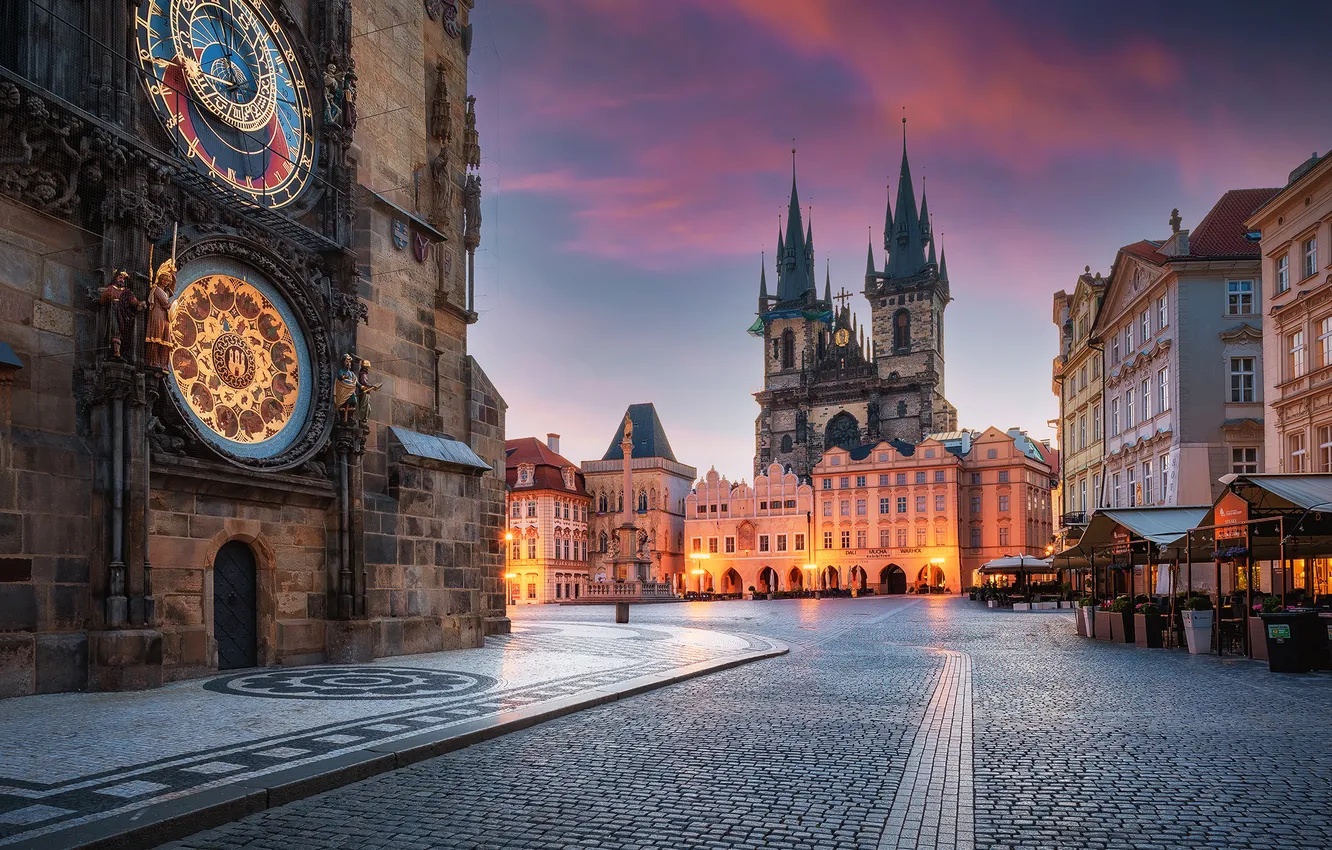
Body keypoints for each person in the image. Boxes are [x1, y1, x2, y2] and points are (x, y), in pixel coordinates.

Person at [98, 270, 142, 360]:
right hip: (113, 311)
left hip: (123, 313)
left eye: (123, 279)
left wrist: (139, 303)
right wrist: (107, 296)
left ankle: (122, 351)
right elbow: (102, 299)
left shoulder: (127, 292)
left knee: (123, 332)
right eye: (120, 277)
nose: (122, 280)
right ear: (115, 278)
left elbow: (132, 300)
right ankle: (115, 351)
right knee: (115, 329)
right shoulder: (110, 288)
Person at [144, 258, 176, 370]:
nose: (166, 282)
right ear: (161, 280)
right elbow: (166, 304)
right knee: (156, 337)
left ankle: (163, 363)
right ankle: (153, 361)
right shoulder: (157, 290)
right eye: (165, 280)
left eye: (168, 281)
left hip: (164, 316)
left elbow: (171, 292)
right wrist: (174, 306)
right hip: (158, 314)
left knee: (165, 338)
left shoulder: (165, 292)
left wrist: (174, 276)